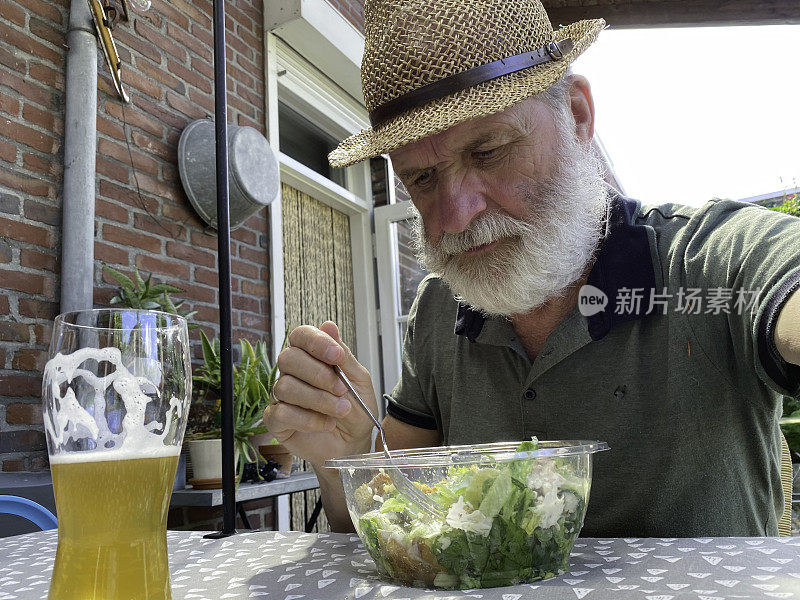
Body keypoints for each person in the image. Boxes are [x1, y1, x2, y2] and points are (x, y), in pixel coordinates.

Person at [263, 0, 800, 537]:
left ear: (578, 113)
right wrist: (346, 457)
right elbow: (392, 518)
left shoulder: (709, 260)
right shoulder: (440, 305)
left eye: (489, 150)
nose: (455, 217)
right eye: (422, 179)